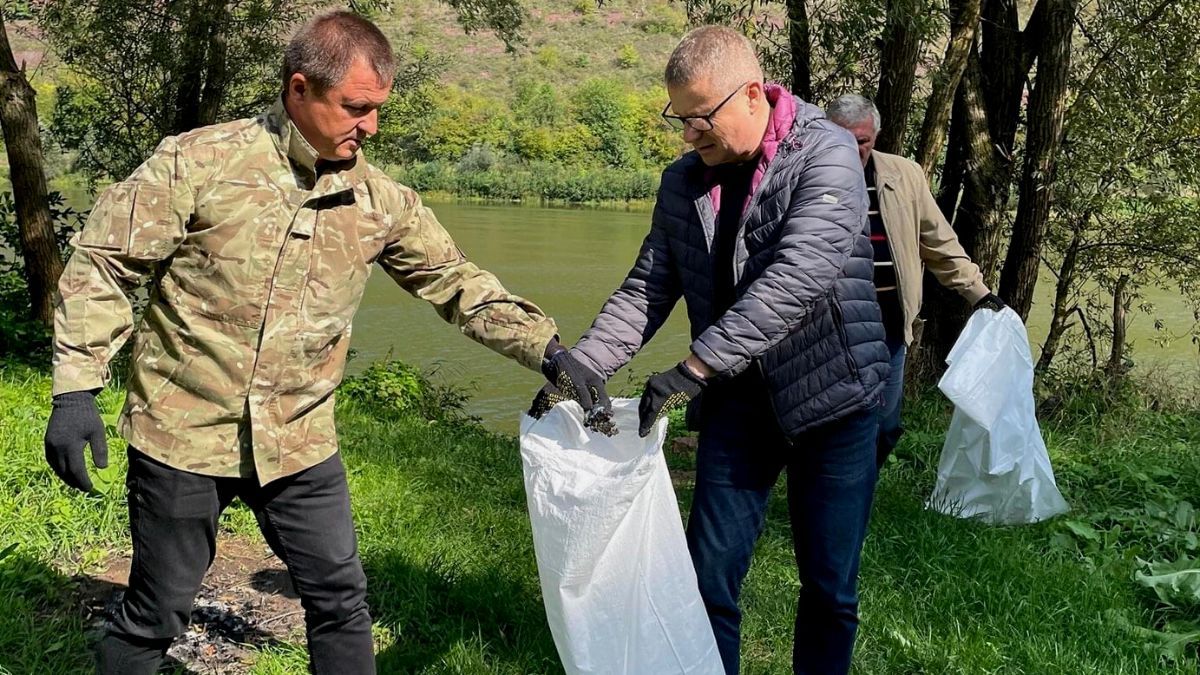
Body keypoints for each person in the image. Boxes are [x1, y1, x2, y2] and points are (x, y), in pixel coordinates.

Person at [42, 11, 609, 675]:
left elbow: (458, 285)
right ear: (299, 89)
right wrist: (76, 386)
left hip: (300, 440)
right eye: (356, 108)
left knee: (341, 599)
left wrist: (549, 350)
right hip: (183, 429)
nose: (370, 126)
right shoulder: (200, 162)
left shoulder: (381, 201)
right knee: (156, 610)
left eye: (378, 110)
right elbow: (106, 261)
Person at [561, 25, 889, 675]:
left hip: (835, 401)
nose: (689, 134)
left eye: (700, 118)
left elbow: (797, 275)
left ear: (749, 95)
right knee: (706, 581)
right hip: (740, 406)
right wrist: (583, 363)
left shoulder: (826, 153)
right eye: (679, 119)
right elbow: (649, 288)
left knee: (829, 586)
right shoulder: (683, 183)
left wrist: (695, 366)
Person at [827, 94, 1006, 468]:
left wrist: (979, 293)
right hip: (831, 324)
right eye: (842, 139)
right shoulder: (811, 177)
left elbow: (938, 240)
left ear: (875, 135)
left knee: (886, 424)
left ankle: (858, 489)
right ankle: (838, 499)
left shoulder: (903, 175)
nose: (852, 149)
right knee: (836, 420)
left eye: (861, 140)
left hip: (891, 322)